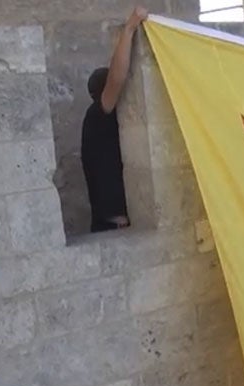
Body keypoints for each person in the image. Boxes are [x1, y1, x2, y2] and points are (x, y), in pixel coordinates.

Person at [81, 6, 148, 233]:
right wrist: (129, 29)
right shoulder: (98, 115)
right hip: (112, 226)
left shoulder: (95, 120)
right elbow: (117, 78)